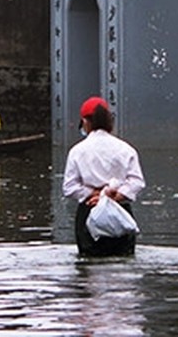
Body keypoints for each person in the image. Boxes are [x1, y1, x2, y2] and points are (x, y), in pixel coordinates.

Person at [62, 96, 145, 257]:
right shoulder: (126, 149)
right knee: (123, 264)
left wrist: (95, 195)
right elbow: (137, 182)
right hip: (120, 212)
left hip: (89, 211)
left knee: (89, 264)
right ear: (109, 121)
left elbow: (69, 187)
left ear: (85, 122)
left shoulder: (77, 151)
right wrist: (114, 196)